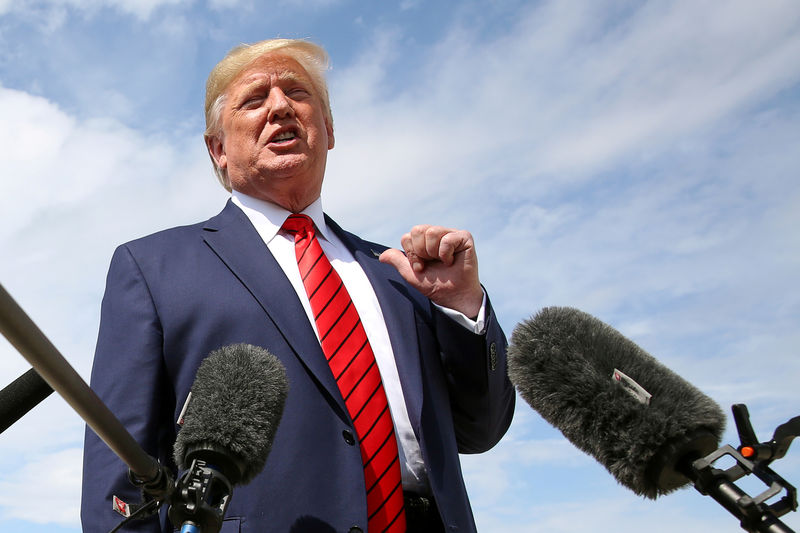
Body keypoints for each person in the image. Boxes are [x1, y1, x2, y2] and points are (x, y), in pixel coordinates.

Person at [81, 38, 515, 533]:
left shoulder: (398, 272)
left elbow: (479, 431)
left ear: (328, 130)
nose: (281, 106)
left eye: (297, 92)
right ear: (218, 148)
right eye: (254, 99)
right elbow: (119, 469)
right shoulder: (152, 266)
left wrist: (462, 306)